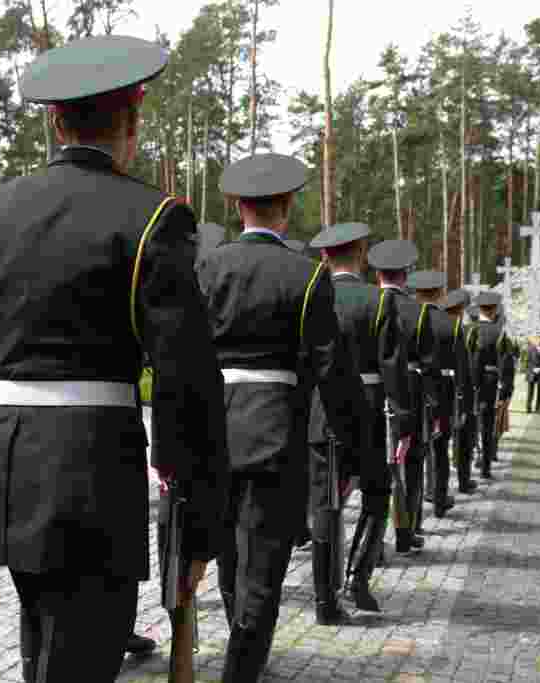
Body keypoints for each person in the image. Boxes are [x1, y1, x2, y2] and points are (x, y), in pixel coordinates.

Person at [0, 36, 229, 682]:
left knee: (48, 647)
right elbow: (187, 380)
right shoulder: (153, 217)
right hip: (93, 479)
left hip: (4, 473)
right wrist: (197, 525)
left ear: (56, 123)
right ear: (132, 123)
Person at [196, 153, 364, 681]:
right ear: (287, 206)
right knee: (263, 569)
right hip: (276, 433)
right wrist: (354, 450)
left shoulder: (207, 267)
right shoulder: (308, 275)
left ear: (237, 207)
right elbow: (332, 371)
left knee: (229, 556)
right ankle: (243, 665)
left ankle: (240, 648)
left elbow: (182, 355)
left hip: (213, 432)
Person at [304, 223, 412, 622]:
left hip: (322, 411)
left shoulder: (312, 295)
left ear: (324, 257)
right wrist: (403, 421)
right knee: (377, 494)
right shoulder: (378, 301)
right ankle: (356, 577)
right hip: (367, 411)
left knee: (325, 505)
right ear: (362, 255)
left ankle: (323, 600)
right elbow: (393, 367)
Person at [367, 241, 432, 554]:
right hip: (409, 394)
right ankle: (408, 530)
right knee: (411, 464)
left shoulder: (369, 302)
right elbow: (428, 361)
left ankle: (374, 543)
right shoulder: (419, 312)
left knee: (377, 469)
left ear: (377, 274)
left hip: (371, 392)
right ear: (406, 275)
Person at [412, 271, 462, 518]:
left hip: (414, 390)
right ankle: (440, 501)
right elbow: (462, 368)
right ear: (441, 294)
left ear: (416, 293)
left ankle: (413, 509)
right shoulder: (451, 323)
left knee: (414, 453)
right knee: (441, 450)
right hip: (443, 392)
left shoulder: (408, 317)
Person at [440, 288, 478, 495]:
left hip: (437, 392)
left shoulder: (435, 325)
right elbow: (464, 368)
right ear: (460, 310)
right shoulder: (458, 330)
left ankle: (435, 488)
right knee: (464, 440)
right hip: (457, 393)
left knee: (438, 444)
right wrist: (465, 398)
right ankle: (463, 480)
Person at [470, 291, 507, 479]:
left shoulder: (471, 329)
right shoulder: (499, 332)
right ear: (493, 310)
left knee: (471, 425)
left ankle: (468, 462)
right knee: (487, 426)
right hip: (491, 384)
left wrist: (473, 384)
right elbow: (505, 361)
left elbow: (471, 358)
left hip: (472, 383)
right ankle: (485, 467)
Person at [526, 335, 540, 413]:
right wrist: (533, 369)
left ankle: (538, 408)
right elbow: (527, 361)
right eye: (539, 340)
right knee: (530, 391)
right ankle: (528, 407)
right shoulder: (530, 349)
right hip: (531, 373)